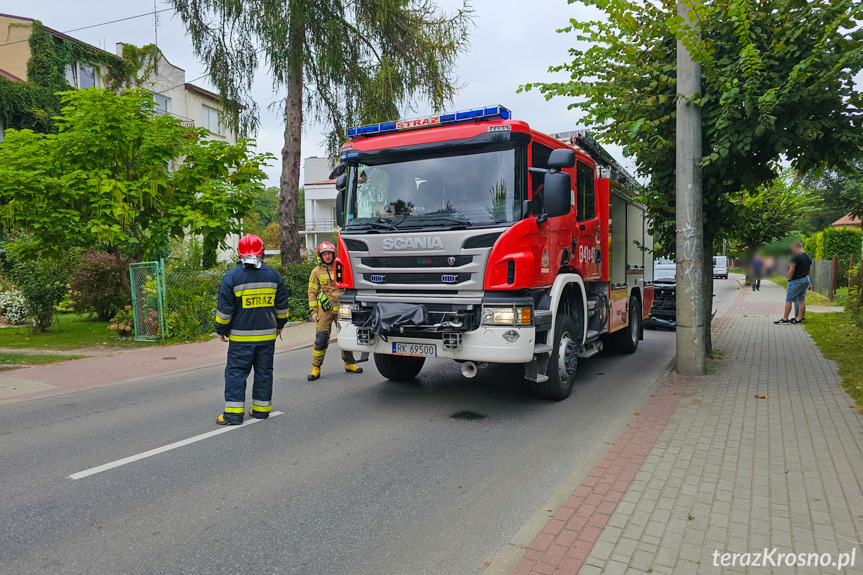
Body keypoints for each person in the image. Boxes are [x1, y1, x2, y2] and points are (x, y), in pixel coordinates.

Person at [215, 234, 290, 425]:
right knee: (264, 372)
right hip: (267, 337)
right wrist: (280, 326)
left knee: (236, 373)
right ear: (262, 252)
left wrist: (221, 329)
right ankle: (261, 410)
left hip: (241, 339)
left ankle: (233, 415)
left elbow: (225, 310)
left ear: (239, 253)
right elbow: (282, 307)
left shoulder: (232, 277)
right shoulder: (274, 276)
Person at [307, 241, 363, 380]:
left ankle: (349, 363)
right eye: (324, 254)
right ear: (320, 256)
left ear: (334, 254)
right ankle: (316, 367)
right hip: (324, 310)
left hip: (342, 309)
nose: (327, 256)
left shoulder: (341, 268)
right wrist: (314, 312)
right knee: (321, 338)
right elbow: (312, 292)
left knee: (347, 336)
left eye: (329, 253)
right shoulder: (316, 271)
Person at [774, 241, 812, 325]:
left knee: (789, 300)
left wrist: (789, 279)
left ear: (796, 247)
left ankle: (785, 319)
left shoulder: (795, 257)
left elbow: (791, 269)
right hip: (805, 279)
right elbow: (808, 270)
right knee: (801, 299)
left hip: (796, 280)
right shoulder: (808, 257)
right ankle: (799, 318)